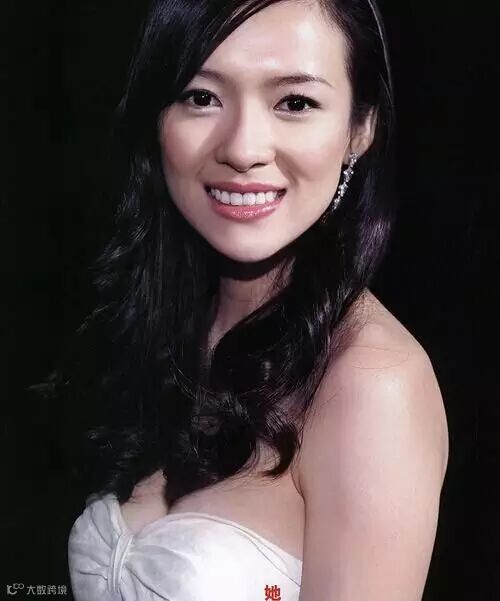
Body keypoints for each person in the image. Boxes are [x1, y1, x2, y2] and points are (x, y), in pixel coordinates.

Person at [64, 0, 449, 599]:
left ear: (361, 127)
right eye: (201, 96)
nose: (243, 148)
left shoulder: (372, 384)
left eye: (294, 103)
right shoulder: (154, 329)